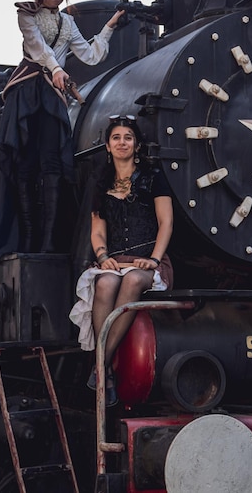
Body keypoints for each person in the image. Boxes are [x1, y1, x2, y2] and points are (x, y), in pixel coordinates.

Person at [0, 0, 125, 263]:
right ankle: (26, 238)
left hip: (51, 95)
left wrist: (109, 27)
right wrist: (58, 69)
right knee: (24, 163)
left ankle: (49, 242)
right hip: (26, 90)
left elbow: (91, 56)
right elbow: (38, 49)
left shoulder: (68, 22)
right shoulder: (26, 13)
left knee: (52, 164)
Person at [69, 115, 174, 406]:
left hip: (147, 262)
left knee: (133, 280)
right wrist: (103, 257)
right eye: (116, 137)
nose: (122, 142)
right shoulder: (100, 182)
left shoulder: (154, 178)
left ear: (136, 145)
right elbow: (98, 230)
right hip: (114, 260)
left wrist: (153, 260)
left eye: (128, 137)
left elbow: (166, 223)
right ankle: (107, 369)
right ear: (107, 145)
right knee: (104, 285)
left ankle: (101, 365)